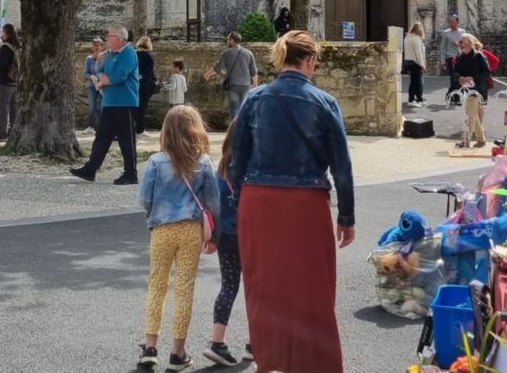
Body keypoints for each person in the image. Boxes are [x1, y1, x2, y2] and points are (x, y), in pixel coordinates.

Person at [227, 30, 355, 373]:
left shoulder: (254, 99)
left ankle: (268, 361)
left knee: (264, 287)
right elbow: (341, 165)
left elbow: (236, 161)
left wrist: (239, 201)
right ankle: (316, 364)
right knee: (312, 287)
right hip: (305, 201)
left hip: (258, 201)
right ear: (311, 60)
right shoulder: (325, 102)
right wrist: (346, 216)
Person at [135, 104, 219, 371]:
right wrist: (213, 234)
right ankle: (177, 352)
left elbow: (143, 199)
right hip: (191, 229)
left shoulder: (156, 161)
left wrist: (155, 213)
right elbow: (213, 202)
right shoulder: (203, 162)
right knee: (184, 289)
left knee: (157, 285)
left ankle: (150, 347)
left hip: (162, 228)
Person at [70, 27, 141, 185]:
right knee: (102, 137)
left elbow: (120, 76)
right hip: (109, 102)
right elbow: (100, 70)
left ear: (119, 39)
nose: (107, 39)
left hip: (125, 102)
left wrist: (102, 81)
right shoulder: (109, 55)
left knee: (126, 140)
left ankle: (131, 173)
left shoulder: (129, 53)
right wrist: (103, 78)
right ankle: (90, 169)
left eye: (110, 36)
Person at [203, 127, 248, 367]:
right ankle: (255, 343)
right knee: (255, 290)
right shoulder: (252, 168)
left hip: (226, 235)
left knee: (229, 286)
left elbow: (212, 204)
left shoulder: (219, 170)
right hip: (250, 236)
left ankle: (217, 341)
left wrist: (212, 237)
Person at [202, 32, 259, 121]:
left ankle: (235, 129)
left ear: (232, 41)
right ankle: (243, 129)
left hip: (233, 85)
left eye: (228, 39)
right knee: (243, 107)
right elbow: (253, 71)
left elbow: (218, 68)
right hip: (245, 85)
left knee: (234, 108)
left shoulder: (226, 53)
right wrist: (255, 85)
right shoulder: (249, 53)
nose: (227, 41)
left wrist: (211, 74)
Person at [449, 34, 492, 149]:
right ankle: (481, 139)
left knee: (470, 115)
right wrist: (459, 78)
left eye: (462, 41)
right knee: (473, 114)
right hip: (465, 89)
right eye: (460, 42)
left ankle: (465, 141)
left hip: (478, 89)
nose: (460, 44)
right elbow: (454, 71)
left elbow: (487, 72)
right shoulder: (459, 57)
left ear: (469, 42)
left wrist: (473, 78)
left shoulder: (479, 56)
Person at [0, 23, 19, 141]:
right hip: (15, 80)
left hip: (4, 81)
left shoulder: (6, 47)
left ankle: (2, 132)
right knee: (13, 108)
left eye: (2, 32)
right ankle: (14, 130)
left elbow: (1, 65)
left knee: (3, 108)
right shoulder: (16, 46)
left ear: (6, 33)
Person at [135, 36, 158, 137]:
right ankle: (139, 129)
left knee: (134, 107)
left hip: (133, 84)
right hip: (144, 85)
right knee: (142, 108)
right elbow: (149, 71)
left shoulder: (134, 54)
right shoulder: (149, 56)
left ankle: (133, 128)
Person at [83, 37, 104, 133]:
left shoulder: (105, 58)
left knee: (102, 106)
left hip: (103, 86)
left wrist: (101, 80)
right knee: (91, 106)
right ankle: (90, 126)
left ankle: (100, 127)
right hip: (92, 86)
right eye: (94, 45)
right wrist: (91, 76)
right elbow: (85, 73)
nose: (96, 47)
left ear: (101, 47)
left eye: (98, 45)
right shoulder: (89, 59)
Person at [403, 22, 428, 106]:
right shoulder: (416, 39)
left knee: (415, 81)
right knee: (417, 82)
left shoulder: (407, 38)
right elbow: (418, 53)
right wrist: (423, 65)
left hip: (409, 62)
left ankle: (418, 98)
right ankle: (411, 100)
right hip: (415, 62)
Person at [438, 15, 465, 82]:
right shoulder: (445, 33)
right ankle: (453, 90)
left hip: (461, 57)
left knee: (461, 76)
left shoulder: (463, 32)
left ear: (457, 22)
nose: (451, 24)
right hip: (450, 57)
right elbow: (443, 47)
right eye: (450, 22)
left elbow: (466, 45)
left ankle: (456, 91)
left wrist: (457, 44)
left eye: (453, 22)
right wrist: (443, 61)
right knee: (453, 77)